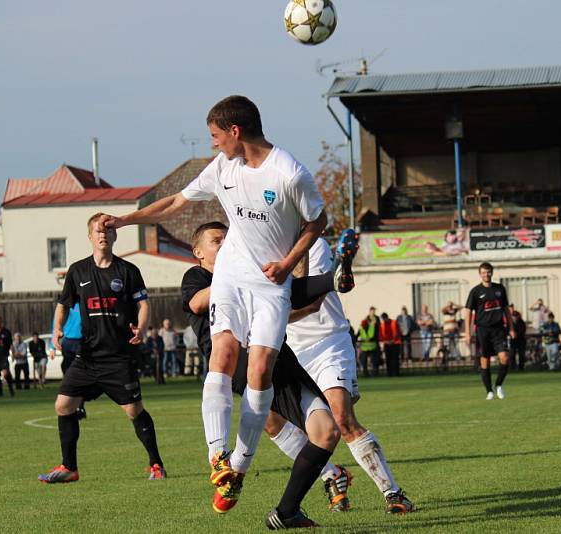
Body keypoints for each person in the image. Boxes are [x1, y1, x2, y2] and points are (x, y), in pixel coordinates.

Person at [98, 96, 328, 510]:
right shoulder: (223, 168)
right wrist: (124, 220)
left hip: (270, 285)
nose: (213, 145)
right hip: (231, 278)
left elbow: (317, 222)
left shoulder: (289, 173)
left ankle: (239, 464)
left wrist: (289, 262)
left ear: (236, 132)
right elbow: (173, 203)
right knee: (221, 353)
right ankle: (217, 455)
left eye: (216, 137)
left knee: (260, 372)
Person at [181, 222, 344, 527]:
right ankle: (231, 467)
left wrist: (311, 266)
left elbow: (288, 298)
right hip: (242, 363)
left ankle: (286, 510)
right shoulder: (197, 277)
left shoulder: (249, 271)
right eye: (217, 241)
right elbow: (196, 302)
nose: (225, 244)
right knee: (268, 419)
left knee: (326, 431)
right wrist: (238, 274)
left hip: (279, 357)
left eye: (229, 239)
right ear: (198, 252)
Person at [286, 236, 414, 515]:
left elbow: (309, 302)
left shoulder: (311, 244)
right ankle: (332, 475)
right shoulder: (257, 248)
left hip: (328, 342)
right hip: (291, 350)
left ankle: (393, 493)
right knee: (277, 423)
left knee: (342, 418)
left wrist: (267, 315)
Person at [38, 213, 166, 484]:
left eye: (108, 230)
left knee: (134, 411)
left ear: (115, 236)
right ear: (90, 236)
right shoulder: (77, 271)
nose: (103, 234)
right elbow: (63, 303)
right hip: (87, 357)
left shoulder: (128, 271)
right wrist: (57, 328)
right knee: (63, 405)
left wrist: (141, 328)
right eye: (98, 230)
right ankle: (69, 468)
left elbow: (143, 304)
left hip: (118, 358)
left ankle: (156, 465)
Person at [463, 262, 516, 400]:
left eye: (488, 272)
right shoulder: (475, 291)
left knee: (505, 357)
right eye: (483, 272)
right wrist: (467, 332)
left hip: (499, 329)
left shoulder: (500, 289)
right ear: (480, 274)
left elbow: (506, 310)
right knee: (484, 360)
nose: (486, 274)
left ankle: (499, 385)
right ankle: (489, 391)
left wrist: (511, 327)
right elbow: (468, 312)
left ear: (492, 273)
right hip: (482, 330)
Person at [378, 312, 401, 377]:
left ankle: (396, 373)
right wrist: (386, 341)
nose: (384, 320)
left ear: (387, 317)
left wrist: (392, 341)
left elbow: (398, 332)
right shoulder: (382, 325)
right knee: (388, 359)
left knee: (395, 359)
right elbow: (380, 336)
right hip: (387, 344)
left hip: (395, 344)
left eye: (384, 318)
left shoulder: (394, 322)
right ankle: (389, 373)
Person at [508, 305, 527, 370]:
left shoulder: (522, 323)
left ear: (518, 316)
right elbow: (507, 330)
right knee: (512, 354)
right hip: (513, 341)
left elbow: (522, 331)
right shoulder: (510, 323)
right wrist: (510, 334)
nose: (515, 317)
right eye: (513, 316)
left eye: (516, 316)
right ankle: (512, 368)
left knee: (521, 355)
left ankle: (521, 368)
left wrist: (516, 334)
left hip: (521, 341)